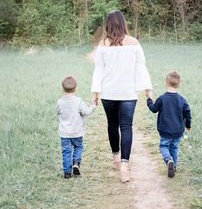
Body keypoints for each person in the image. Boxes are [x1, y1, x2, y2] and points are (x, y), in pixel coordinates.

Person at [91, 10, 152, 183]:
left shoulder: (102, 45)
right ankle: (125, 165)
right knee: (126, 126)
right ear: (123, 23)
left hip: (108, 93)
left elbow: (99, 69)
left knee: (112, 124)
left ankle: (116, 159)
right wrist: (148, 89)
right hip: (128, 93)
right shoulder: (134, 42)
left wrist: (95, 92)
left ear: (108, 24)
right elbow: (141, 67)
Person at [146, 71, 191, 178]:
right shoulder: (182, 100)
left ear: (166, 83)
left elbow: (153, 109)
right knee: (174, 148)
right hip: (178, 130)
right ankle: (174, 166)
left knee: (164, 146)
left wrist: (149, 99)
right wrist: (188, 125)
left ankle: (168, 160)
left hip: (165, 129)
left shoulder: (162, 98)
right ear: (178, 85)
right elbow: (187, 112)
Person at [56, 76, 97, 179]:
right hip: (77, 132)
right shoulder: (78, 101)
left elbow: (57, 113)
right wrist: (93, 106)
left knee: (66, 151)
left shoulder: (59, 102)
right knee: (78, 147)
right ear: (75, 88)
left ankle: (67, 173)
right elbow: (86, 112)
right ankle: (76, 163)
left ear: (62, 88)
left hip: (64, 133)